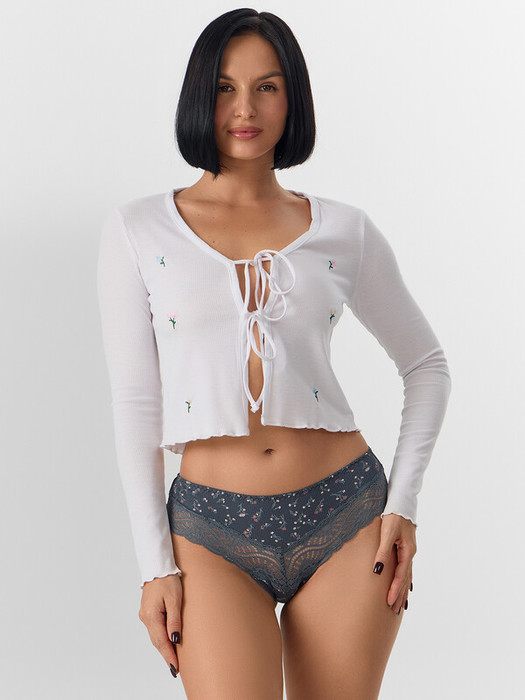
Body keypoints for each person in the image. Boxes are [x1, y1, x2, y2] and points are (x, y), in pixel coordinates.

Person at [97, 8, 451, 699]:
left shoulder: (344, 230)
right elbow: (136, 402)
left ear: (293, 98)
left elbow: (426, 365)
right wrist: (153, 566)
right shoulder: (138, 230)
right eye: (225, 88)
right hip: (210, 530)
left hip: (347, 514)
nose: (245, 109)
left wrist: (403, 502)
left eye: (267, 87)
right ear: (200, 96)